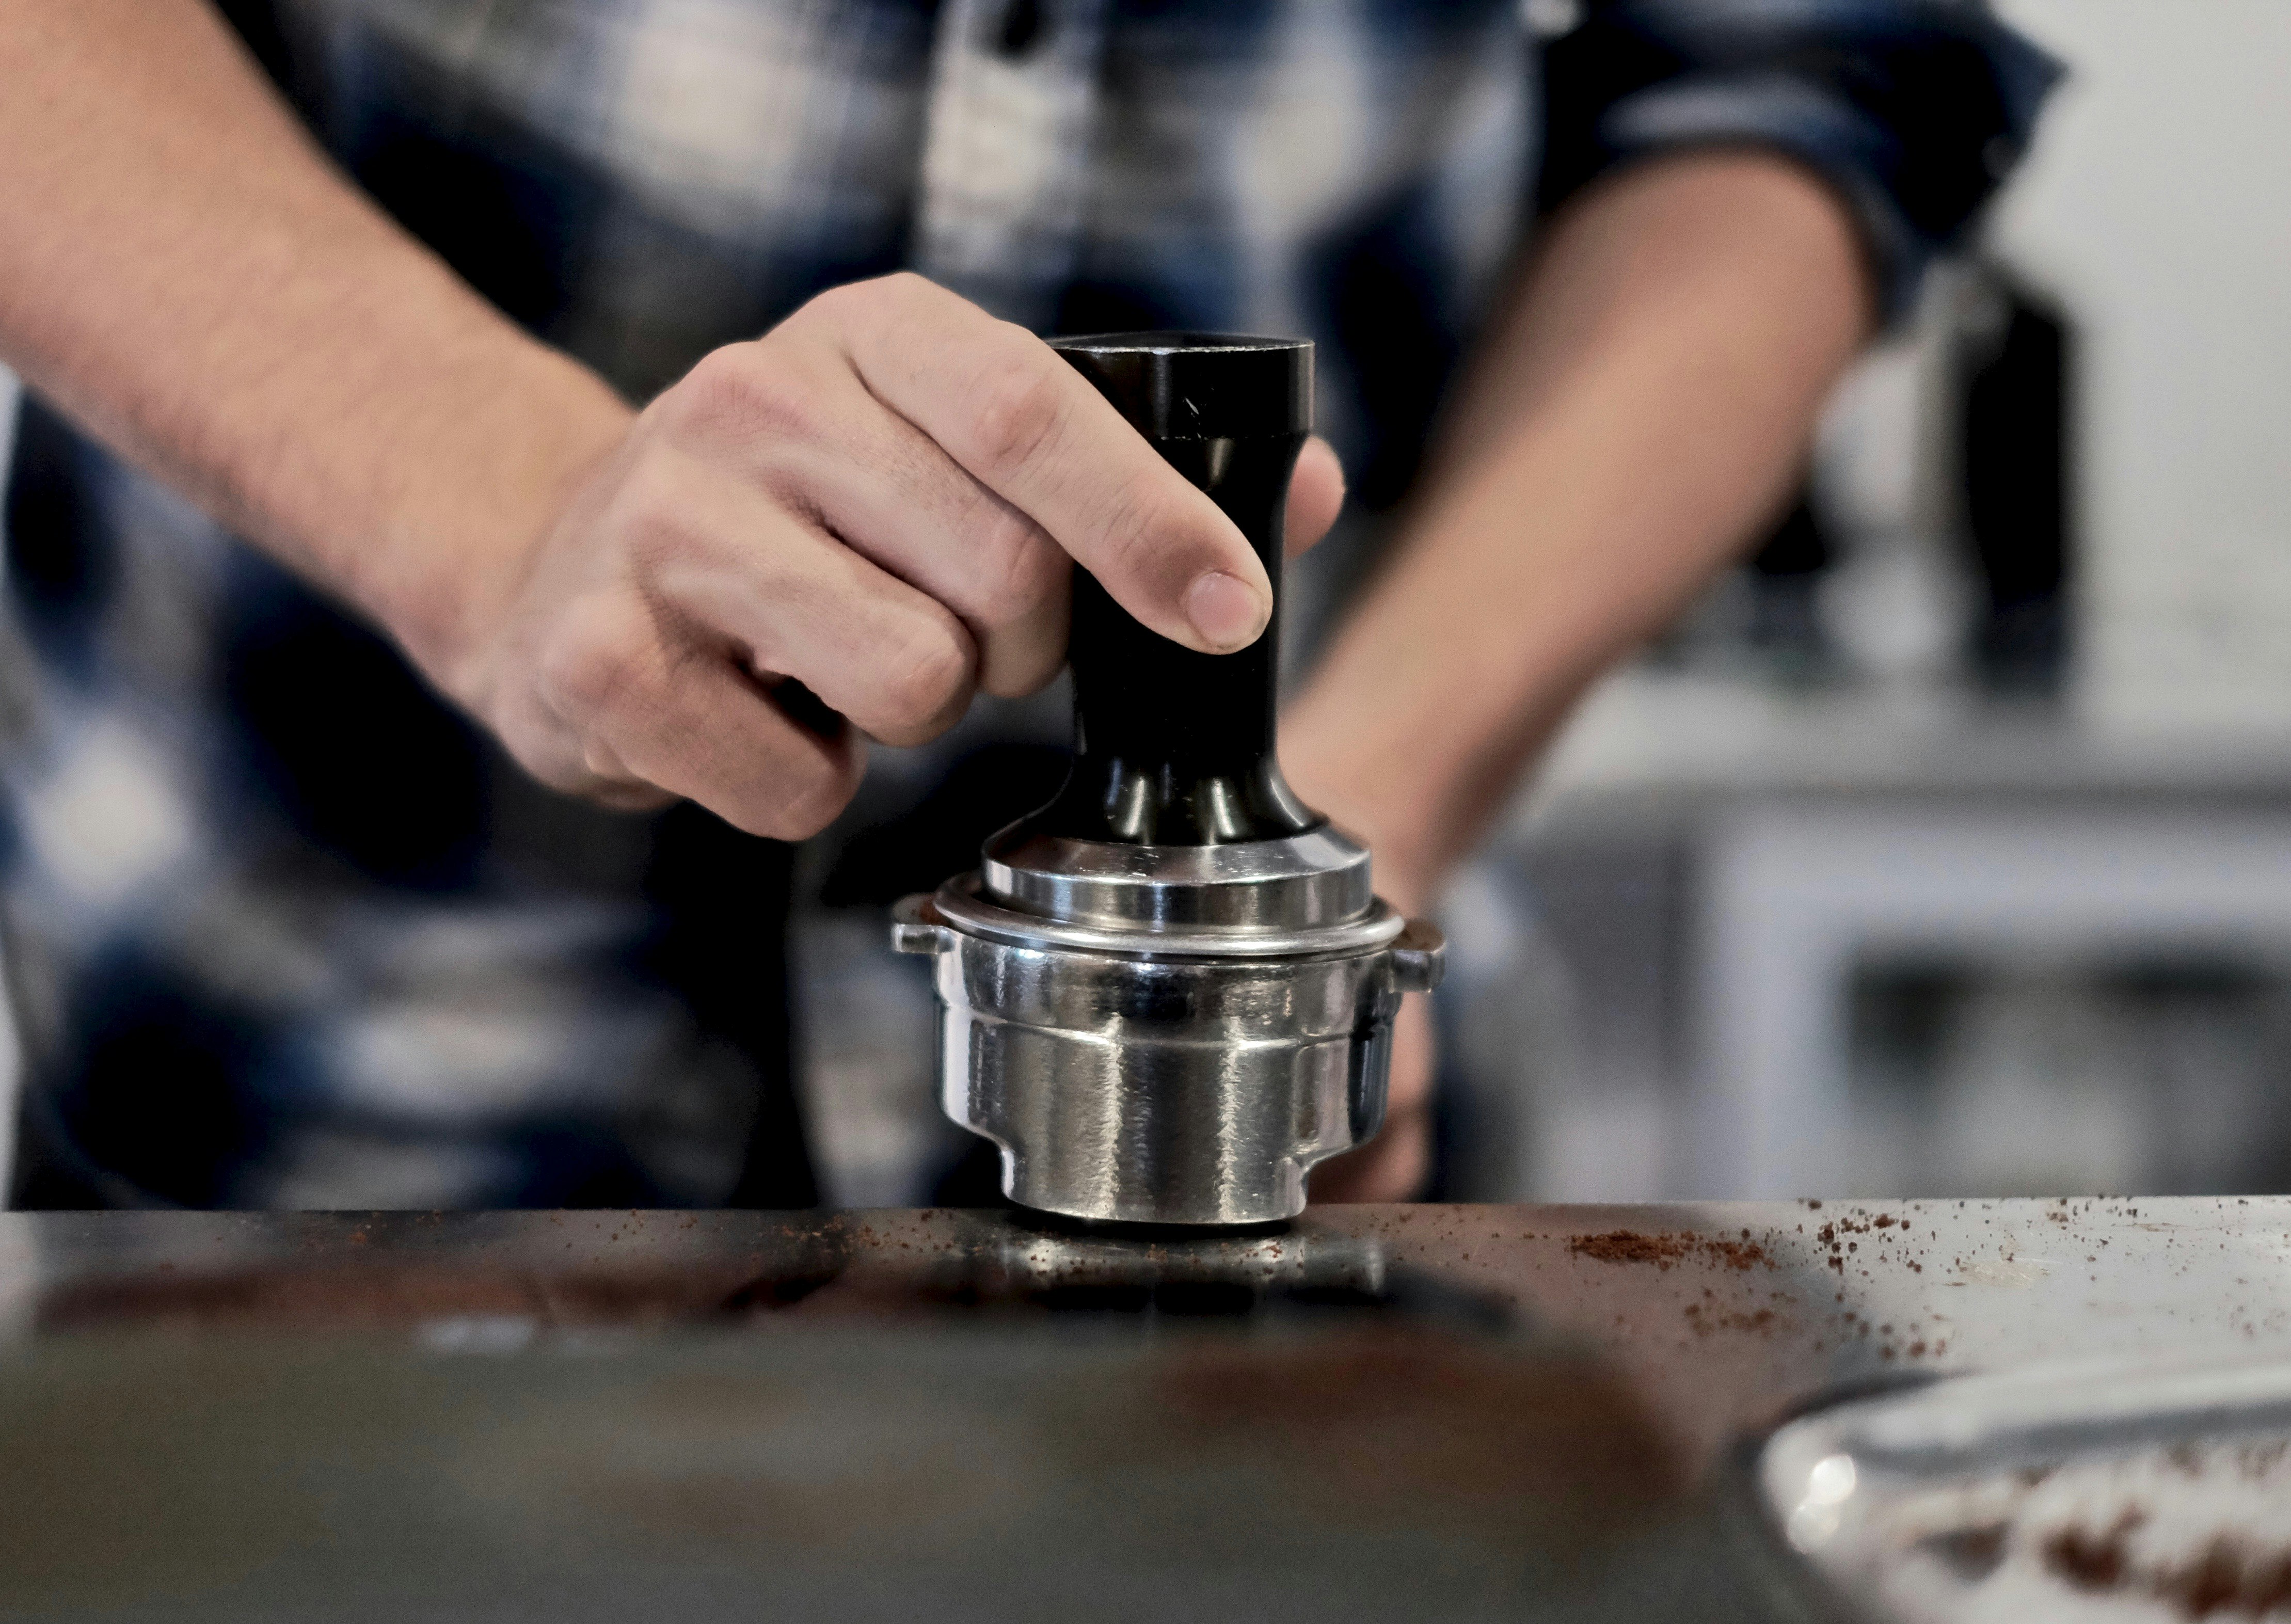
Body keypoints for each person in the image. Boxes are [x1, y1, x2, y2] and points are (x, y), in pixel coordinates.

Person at [0, 0, 2054, 1209]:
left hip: (1317, 1237)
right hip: (298, 1116)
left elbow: (1810, 63)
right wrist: (508, 505)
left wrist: (1364, 819)